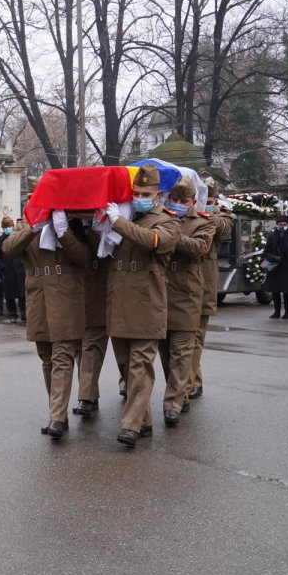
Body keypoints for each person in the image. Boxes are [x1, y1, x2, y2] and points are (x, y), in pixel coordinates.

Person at [103, 183, 179, 447]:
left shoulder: (167, 221)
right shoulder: (126, 215)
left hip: (148, 302)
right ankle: (144, 420)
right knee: (125, 364)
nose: (139, 199)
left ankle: (131, 425)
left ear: (157, 196)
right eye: (136, 194)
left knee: (140, 365)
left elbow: (152, 241)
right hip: (120, 301)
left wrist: (118, 222)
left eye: (145, 195)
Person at [3, 211, 87, 439]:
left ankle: (56, 418)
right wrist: (33, 227)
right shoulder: (26, 224)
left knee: (62, 356)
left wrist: (63, 231)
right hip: (38, 297)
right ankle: (57, 412)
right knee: (47, 357)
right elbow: (9, 249)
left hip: (65, 295)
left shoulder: (73, 223)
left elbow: (83, 257)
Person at [157, 179, 215, 426]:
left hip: (188, 294)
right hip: (161, 293)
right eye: (175, 200)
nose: (179, 205)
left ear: (193, 202)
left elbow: (198, 248)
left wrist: (172, 233)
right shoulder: (160, 218)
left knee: (182, 352)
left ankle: (172, 404)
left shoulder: (204, 221)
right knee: (165, 352)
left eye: (184, 201)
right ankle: (180, 395)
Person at [189, 184, 233, 400]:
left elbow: (224, 227)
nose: (206, 202)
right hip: (180, 281)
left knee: (196, 335)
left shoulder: (221, 215)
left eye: (209, 199)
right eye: (201, 198)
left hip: (205, 281)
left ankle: (193, 381)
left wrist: (203, 211)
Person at [73, 225, 110, 417]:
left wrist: (99, 223)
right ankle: (89, 395)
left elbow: (95, 251)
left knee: (91, 345)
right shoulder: (72, 223)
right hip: (77, 292)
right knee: (83, 348)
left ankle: (86, 397)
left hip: (99, 291)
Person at [262, 215, 288, 320]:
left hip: (287, 265)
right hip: (275, 266)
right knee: (275, 291)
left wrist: (283, 239)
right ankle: (277, 312)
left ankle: (287, 313)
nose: (282, 226)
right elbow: (266, 251)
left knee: (287, 291)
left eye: (284, 224)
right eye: (280, 224)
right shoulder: (272, 235)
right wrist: (273, 258)